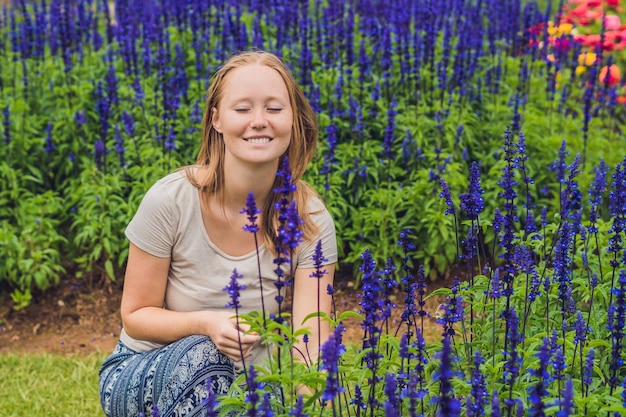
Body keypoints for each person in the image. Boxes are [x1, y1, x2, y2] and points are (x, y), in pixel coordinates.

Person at [98, 50, 337, 417]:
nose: (259, 121)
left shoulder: (310, 219)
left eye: (274, 108)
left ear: (294, 119)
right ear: (217, 120)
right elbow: (135, 314)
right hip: (143, 370)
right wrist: (207, 323)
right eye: (242, 109)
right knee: (206, 360)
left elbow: (312, 339)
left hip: (250, 389)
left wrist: (308, 407)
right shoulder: (171, 199)